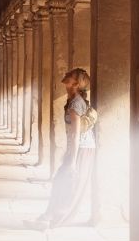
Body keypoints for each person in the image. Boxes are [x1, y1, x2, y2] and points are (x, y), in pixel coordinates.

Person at [28, 68, 96, 229]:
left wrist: (72, 160)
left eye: (70, 76)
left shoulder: (76, 103)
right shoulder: (73, 100)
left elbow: (76, 134)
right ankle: (51, 215)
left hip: (82, 148)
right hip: (80, 147)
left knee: (68, 182)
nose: (66, 75)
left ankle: (55, 218)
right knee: (62, 181)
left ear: (76, 83)